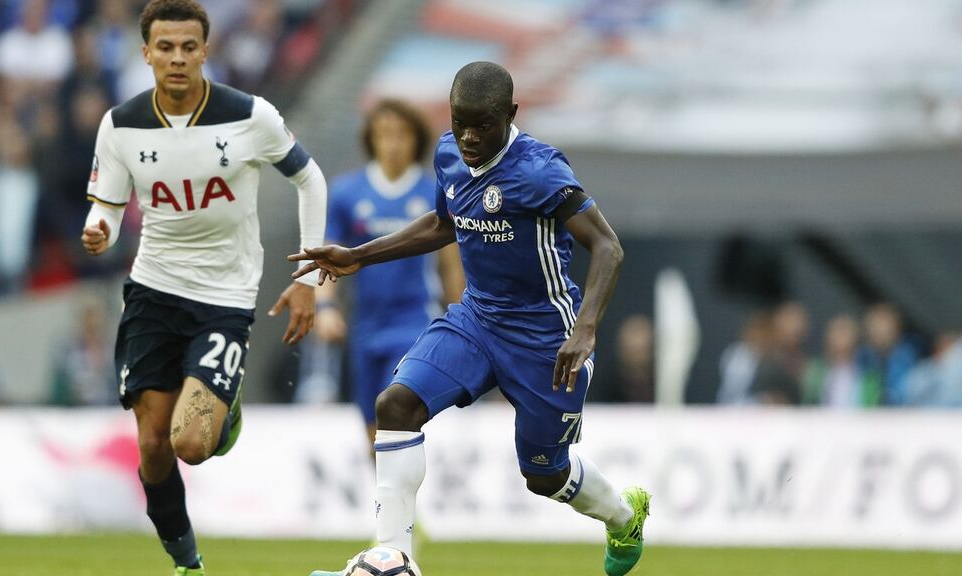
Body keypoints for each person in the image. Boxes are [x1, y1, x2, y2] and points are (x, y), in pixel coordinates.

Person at [294, 61, 649, 576]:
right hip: (477, 320)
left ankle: (622, 516)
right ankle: (391, 559)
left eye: (482, 124)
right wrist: (359, 255)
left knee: (543, 475)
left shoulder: (540, 171)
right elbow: (444, 223)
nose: (469, 137)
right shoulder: (447, 153)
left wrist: (584, 330)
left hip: (544, 337)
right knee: (395, 405)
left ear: (511, 114)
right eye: (460, 122)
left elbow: (608, 246)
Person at [80, 1, 326, 574]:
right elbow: (109, 207)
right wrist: (100, 229)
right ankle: (186, 560)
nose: (177, 58)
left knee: (191, 442)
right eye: (165, 47)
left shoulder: (250, 115)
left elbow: (309, 180)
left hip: (225, 296)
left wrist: (311, 276)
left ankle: (226, 407)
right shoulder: (121, 124)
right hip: (153, 290)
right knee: (153, 447)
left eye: (189, 47)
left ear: (205, 50)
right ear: (146, 53)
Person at [315, 98, 464, 449]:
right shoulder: (347, 192)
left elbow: (450, 266)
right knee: (370, 430)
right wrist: (325, 309)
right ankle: (389, 501)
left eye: (402, 135)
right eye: (385, 135)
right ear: (371, 139)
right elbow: (327, 257)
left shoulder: (433, 192)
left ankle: (403, 501)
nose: (393, 144)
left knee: (394, 410)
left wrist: (463, 323)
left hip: (414, 322)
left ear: (416, 140)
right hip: (365, 325)